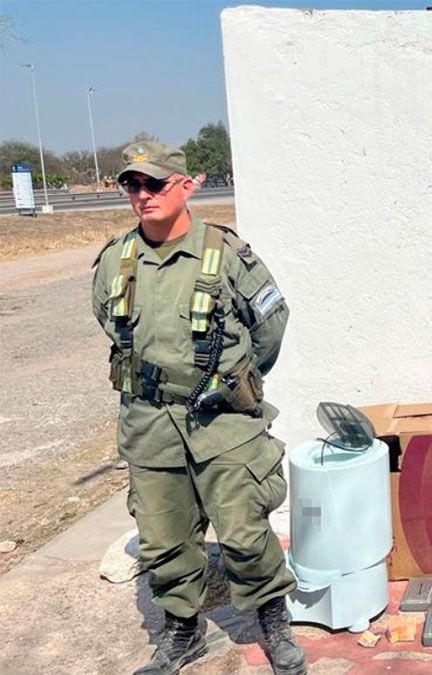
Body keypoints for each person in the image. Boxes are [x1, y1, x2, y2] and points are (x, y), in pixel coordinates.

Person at [91, 141, 306, 675]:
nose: (143, 195)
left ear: (187, 186)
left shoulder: (226, 254)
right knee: (163, 537)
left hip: (223, 421)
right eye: (132, 185)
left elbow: (271, 326)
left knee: (244, 531)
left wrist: (236, 382)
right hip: (148, 423)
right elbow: (109, 323)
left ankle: (273, 621)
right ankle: (181, 633)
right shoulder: (116, 260)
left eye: (155, 183)